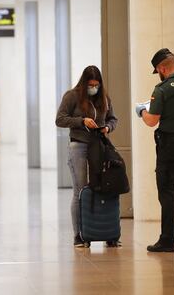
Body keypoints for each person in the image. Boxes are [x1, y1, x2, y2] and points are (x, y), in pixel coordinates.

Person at [135, 48, 174, 252]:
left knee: (168, 195)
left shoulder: (163, 89)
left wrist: (141, 110)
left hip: (171, 147)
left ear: (161, 68)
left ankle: (167, 240)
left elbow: (152, 121)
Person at [56, 65, 118, 248]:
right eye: (90, 84)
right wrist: (81, 121)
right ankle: (79, 235)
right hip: (79, 146)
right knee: (81, 189)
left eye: (96, 84)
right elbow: (60, 119)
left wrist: (108, 127)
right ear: (84, 83)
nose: (93, 87)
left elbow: (113, 119)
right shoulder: (72, 96)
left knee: (106, 186)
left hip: (100, 146)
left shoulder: (104, 98)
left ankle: (108, 232)